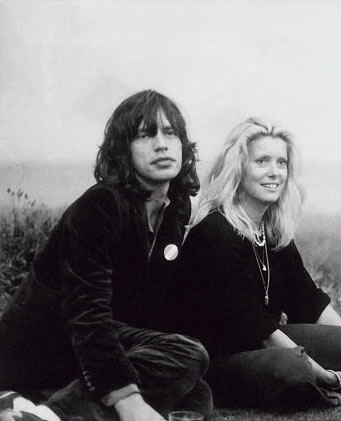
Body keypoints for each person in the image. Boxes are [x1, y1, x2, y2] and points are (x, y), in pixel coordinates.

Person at [0, 90, 212, 421]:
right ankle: (48, 415)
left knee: (197, 391)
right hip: (43, 346)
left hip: (94, 347)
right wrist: (130, 401)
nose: (162, 143)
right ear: (123, 151)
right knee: (185, 355)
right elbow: (87, 315)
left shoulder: (177, 207)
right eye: (146, 134)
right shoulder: (99, 208)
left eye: (171, 133)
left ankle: (29, 405)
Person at [157, 117, 341, 409]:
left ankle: (303, 376)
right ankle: (303, 383)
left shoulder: (273, 231)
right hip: (214, 357)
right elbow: (258, 331)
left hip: (264, 345)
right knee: (293, 368)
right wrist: (329, 377)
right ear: (239, 169)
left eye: (281, 163)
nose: (274, 172)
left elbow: (308, 300)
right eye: (262, 161)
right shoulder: (216, 232)